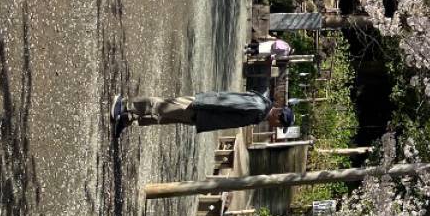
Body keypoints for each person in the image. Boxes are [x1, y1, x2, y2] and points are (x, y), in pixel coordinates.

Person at [110, 89, 293, 138]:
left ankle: (127, 119)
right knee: (162, 106)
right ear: (278, 117)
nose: (275, 127)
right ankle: (125, 104)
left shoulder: (260, 112)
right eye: (279, 125)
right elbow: (227, 102)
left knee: (163, 118)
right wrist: (200, 103)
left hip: (203, 116)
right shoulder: (259, 106)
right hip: (200, 108)